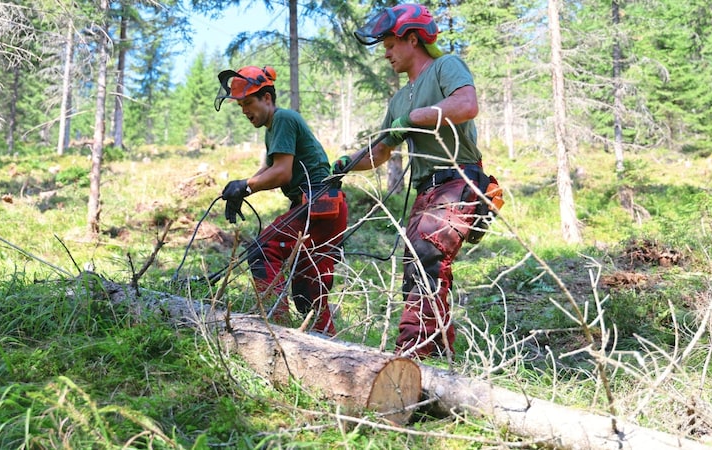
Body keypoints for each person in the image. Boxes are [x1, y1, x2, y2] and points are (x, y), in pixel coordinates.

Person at [332, 3, 502, 358]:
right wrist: (346, 164)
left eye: (391, 46)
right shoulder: (397, 100)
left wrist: (417, 116)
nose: (386, 55)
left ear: (412, 38)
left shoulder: (445, 66)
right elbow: (380, 152)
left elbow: (467, 104)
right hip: (426, 191)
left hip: (458, 178)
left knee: (426, 255)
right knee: (417, 264)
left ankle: (411, 354)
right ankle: (438, 357)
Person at [214, 65, 347, 336]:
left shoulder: (283, 118)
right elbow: (270, 168)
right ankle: (327, 341)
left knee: (262, 250)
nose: (245, 111)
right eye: (240, 106)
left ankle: (275, 327)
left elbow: (282, 172)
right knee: (308, 284)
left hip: (319, 200)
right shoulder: (273, 128)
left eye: (248, 103)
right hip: (319, 204)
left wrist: (245, 186)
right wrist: (245, 189)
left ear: (267, 98)